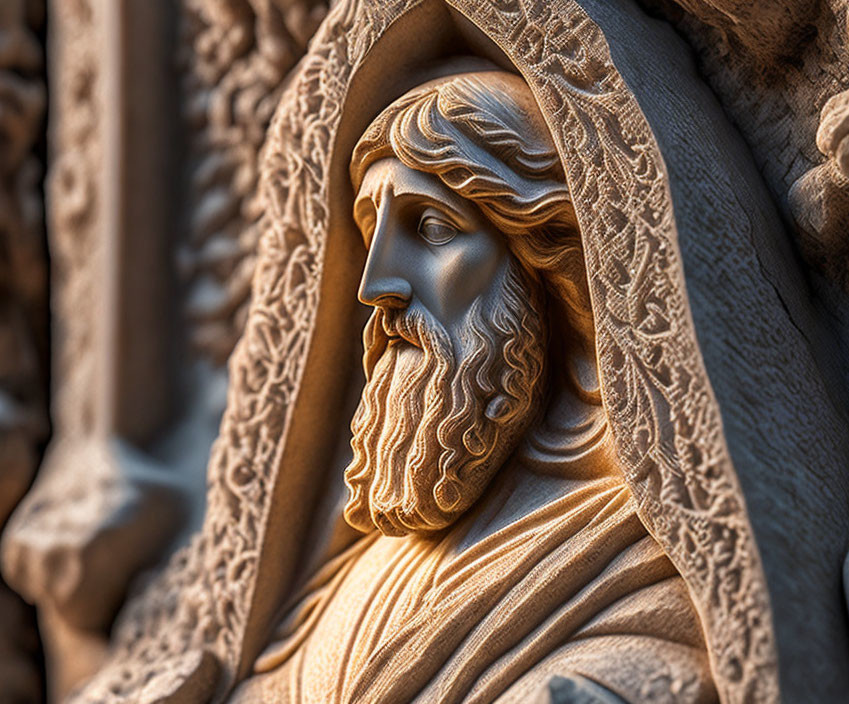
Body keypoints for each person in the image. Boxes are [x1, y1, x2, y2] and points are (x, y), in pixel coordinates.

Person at [231, 70, 717, 704]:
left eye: (431, 230)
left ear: (550, 265)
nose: (375, 285)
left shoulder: (634, 555)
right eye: (371, 232)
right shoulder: (357, 581)